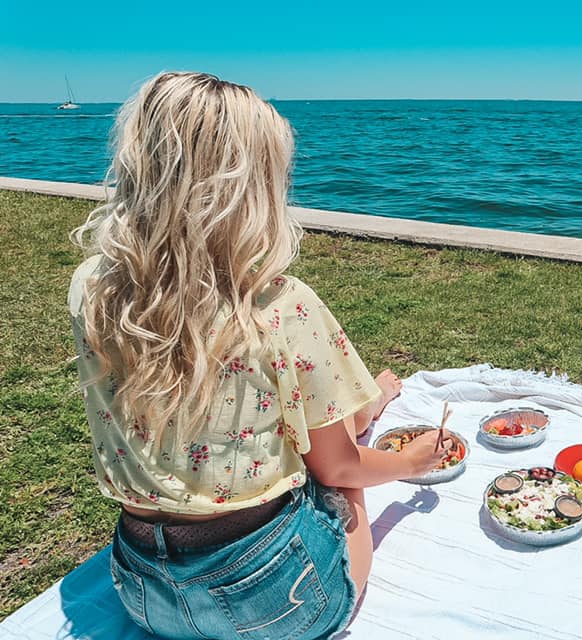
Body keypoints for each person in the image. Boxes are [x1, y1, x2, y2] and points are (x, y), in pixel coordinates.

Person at [68, 71, 448, 639]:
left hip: (143, 590)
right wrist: (411, 466)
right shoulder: (278, 305)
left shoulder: (92, 288)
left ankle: (367, 404)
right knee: (345, 484)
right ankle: (364, 409)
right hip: (273, 598)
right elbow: (337, 467)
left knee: (298, 417)